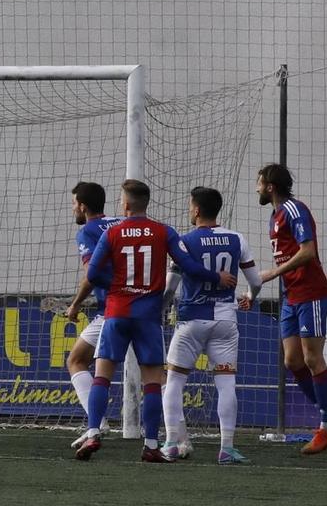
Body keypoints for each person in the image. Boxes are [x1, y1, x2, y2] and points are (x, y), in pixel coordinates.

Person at [66, 179, 230, 462]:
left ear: (126, 204)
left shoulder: (113, 232)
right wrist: (217, 277)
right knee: (153, 381)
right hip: (148, 317)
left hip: (116, 313)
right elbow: (188, 266)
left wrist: (118, 285)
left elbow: (92, 275)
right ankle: (152, 444)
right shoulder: (163, 231)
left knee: (102, 376)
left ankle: (93, 432)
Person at [163, 187, 261, 465]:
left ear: (196, 210)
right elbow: (255, 280)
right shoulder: (236, 238)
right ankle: (226, 448)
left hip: (192, 319)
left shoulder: (184, 242)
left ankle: (171, 442)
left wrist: (162, 308)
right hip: (225, 321)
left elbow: (171, 286)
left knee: (175, 380)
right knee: (226, 383)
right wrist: (250, 297)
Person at [258, 162, 327, 455]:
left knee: (312, 358)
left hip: (311, 293)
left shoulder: (294, 210)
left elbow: (308, 252)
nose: (256, 188)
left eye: (259, 183)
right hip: (291, 297)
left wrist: (275, 272)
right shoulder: (274, 216)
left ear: (270, 186)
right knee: (292, 361)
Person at [64, 180, 119, 448]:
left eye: (74, 203)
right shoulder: (120, 223)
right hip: (143, 305)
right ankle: (174, 436)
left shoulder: (88, 231)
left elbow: (91, 275)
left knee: (77, 360)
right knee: (156, 374)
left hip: (113, 309)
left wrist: (74, 305)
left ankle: (96, 423)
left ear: (83, 206)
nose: (73, 208)